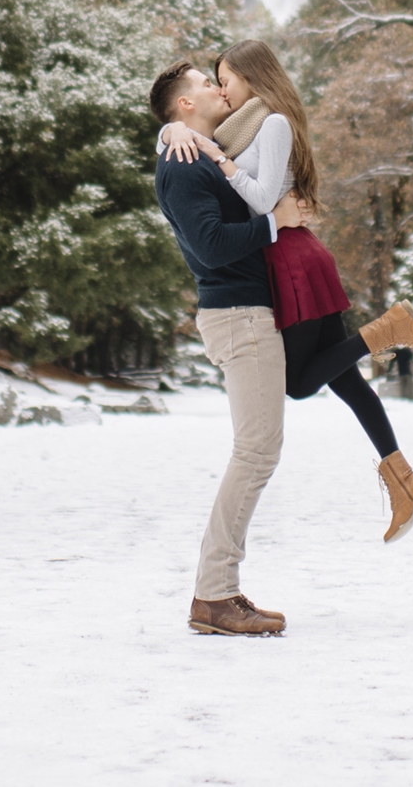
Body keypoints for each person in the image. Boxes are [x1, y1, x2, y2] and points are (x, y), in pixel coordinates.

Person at [162, 39, 413, 542]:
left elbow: (263, 197)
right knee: (347, 381)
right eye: (214, 82)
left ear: (252, 76)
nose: (221, 89)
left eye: (225, 78)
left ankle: (390, 329)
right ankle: (405, 480)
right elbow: (195, 135)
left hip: (290, 259)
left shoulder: (268, 123)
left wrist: (224, 166)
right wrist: (174, 129)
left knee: (297, 383)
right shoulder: (240, 128)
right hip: (292, 254)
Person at [151, 59, 289, 637]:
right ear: (185, 105)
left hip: (247, 312)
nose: (216, 86)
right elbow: (209, 246)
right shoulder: (182, 164)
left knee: (257, 450)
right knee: (256, 453)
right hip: (238, 315)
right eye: (205, 84)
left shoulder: (196, 151)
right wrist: (275, 224)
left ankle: (217, 590)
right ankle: (214, 594)